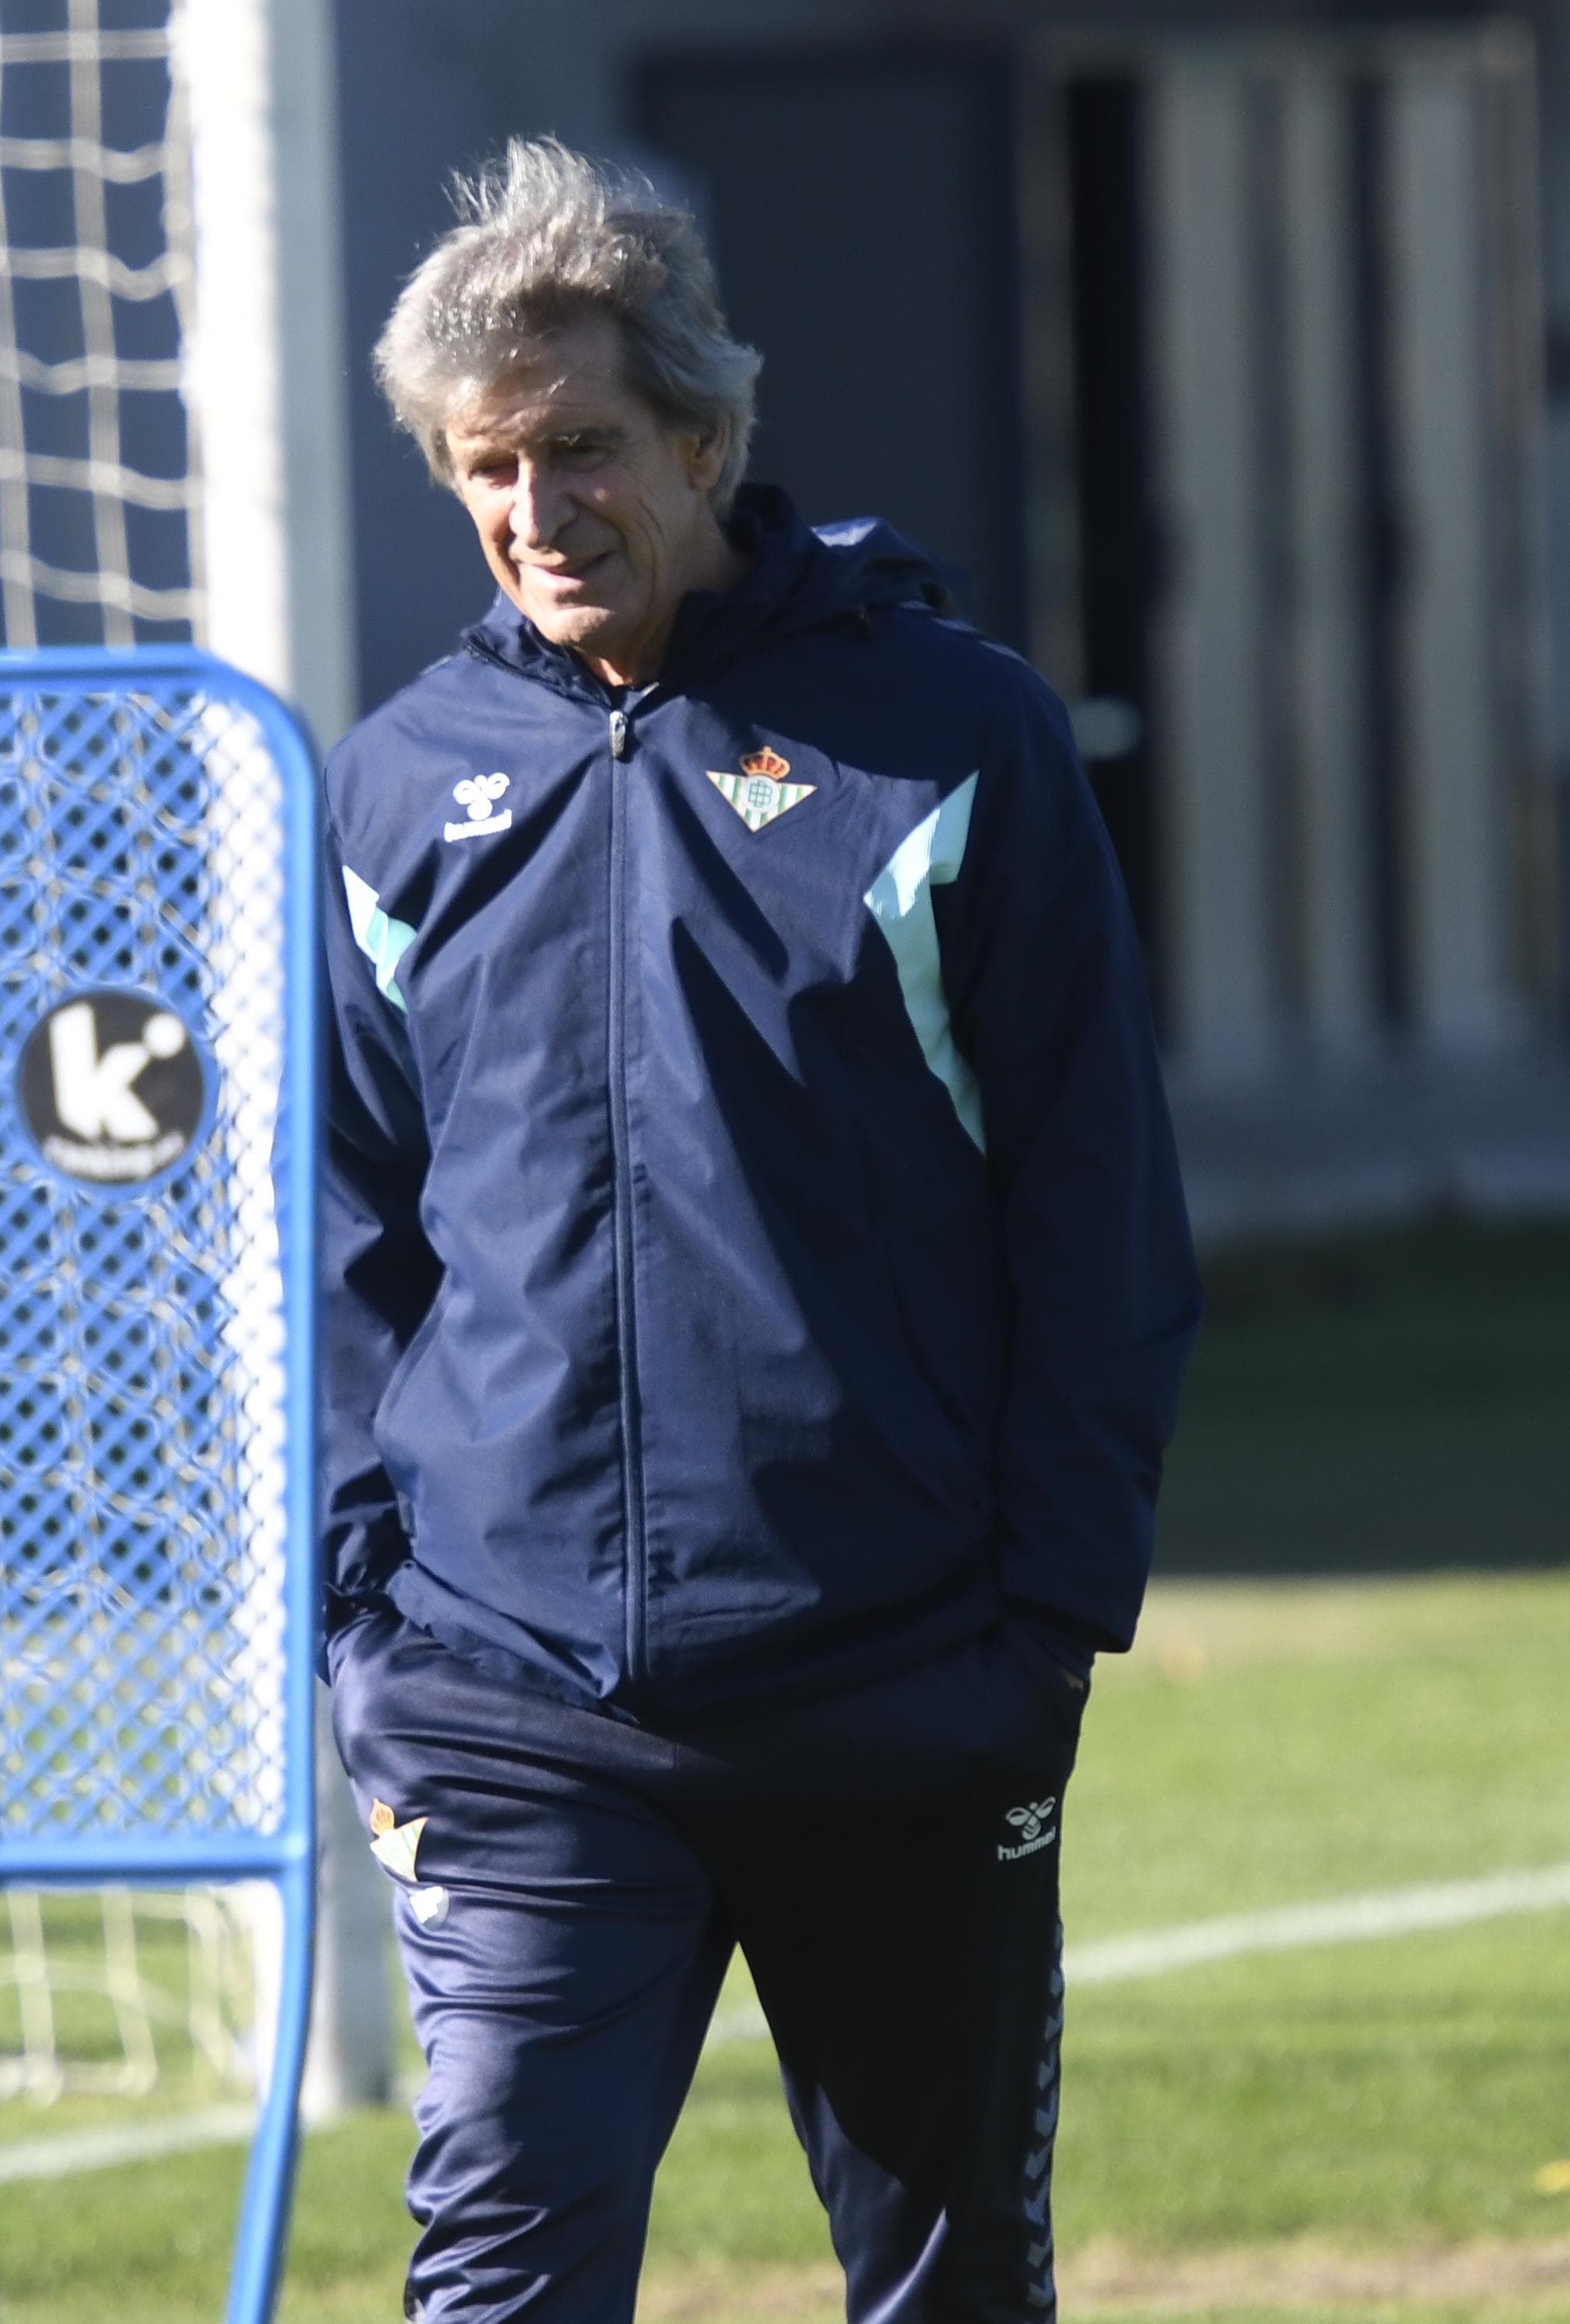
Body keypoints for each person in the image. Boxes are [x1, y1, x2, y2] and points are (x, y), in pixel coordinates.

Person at [319, 142, 1199, 2321]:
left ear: (706, 435)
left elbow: (1101, 1217)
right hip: (518, 1709)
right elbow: (346, 1243)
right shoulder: (401, 784)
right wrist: (373, 1649)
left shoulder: (952, 739)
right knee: (499, 2274)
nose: (539, 512)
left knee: (950, 2291)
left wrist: (1038, 1638)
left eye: (586, 449)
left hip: (904, 1685)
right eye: (489, 468)